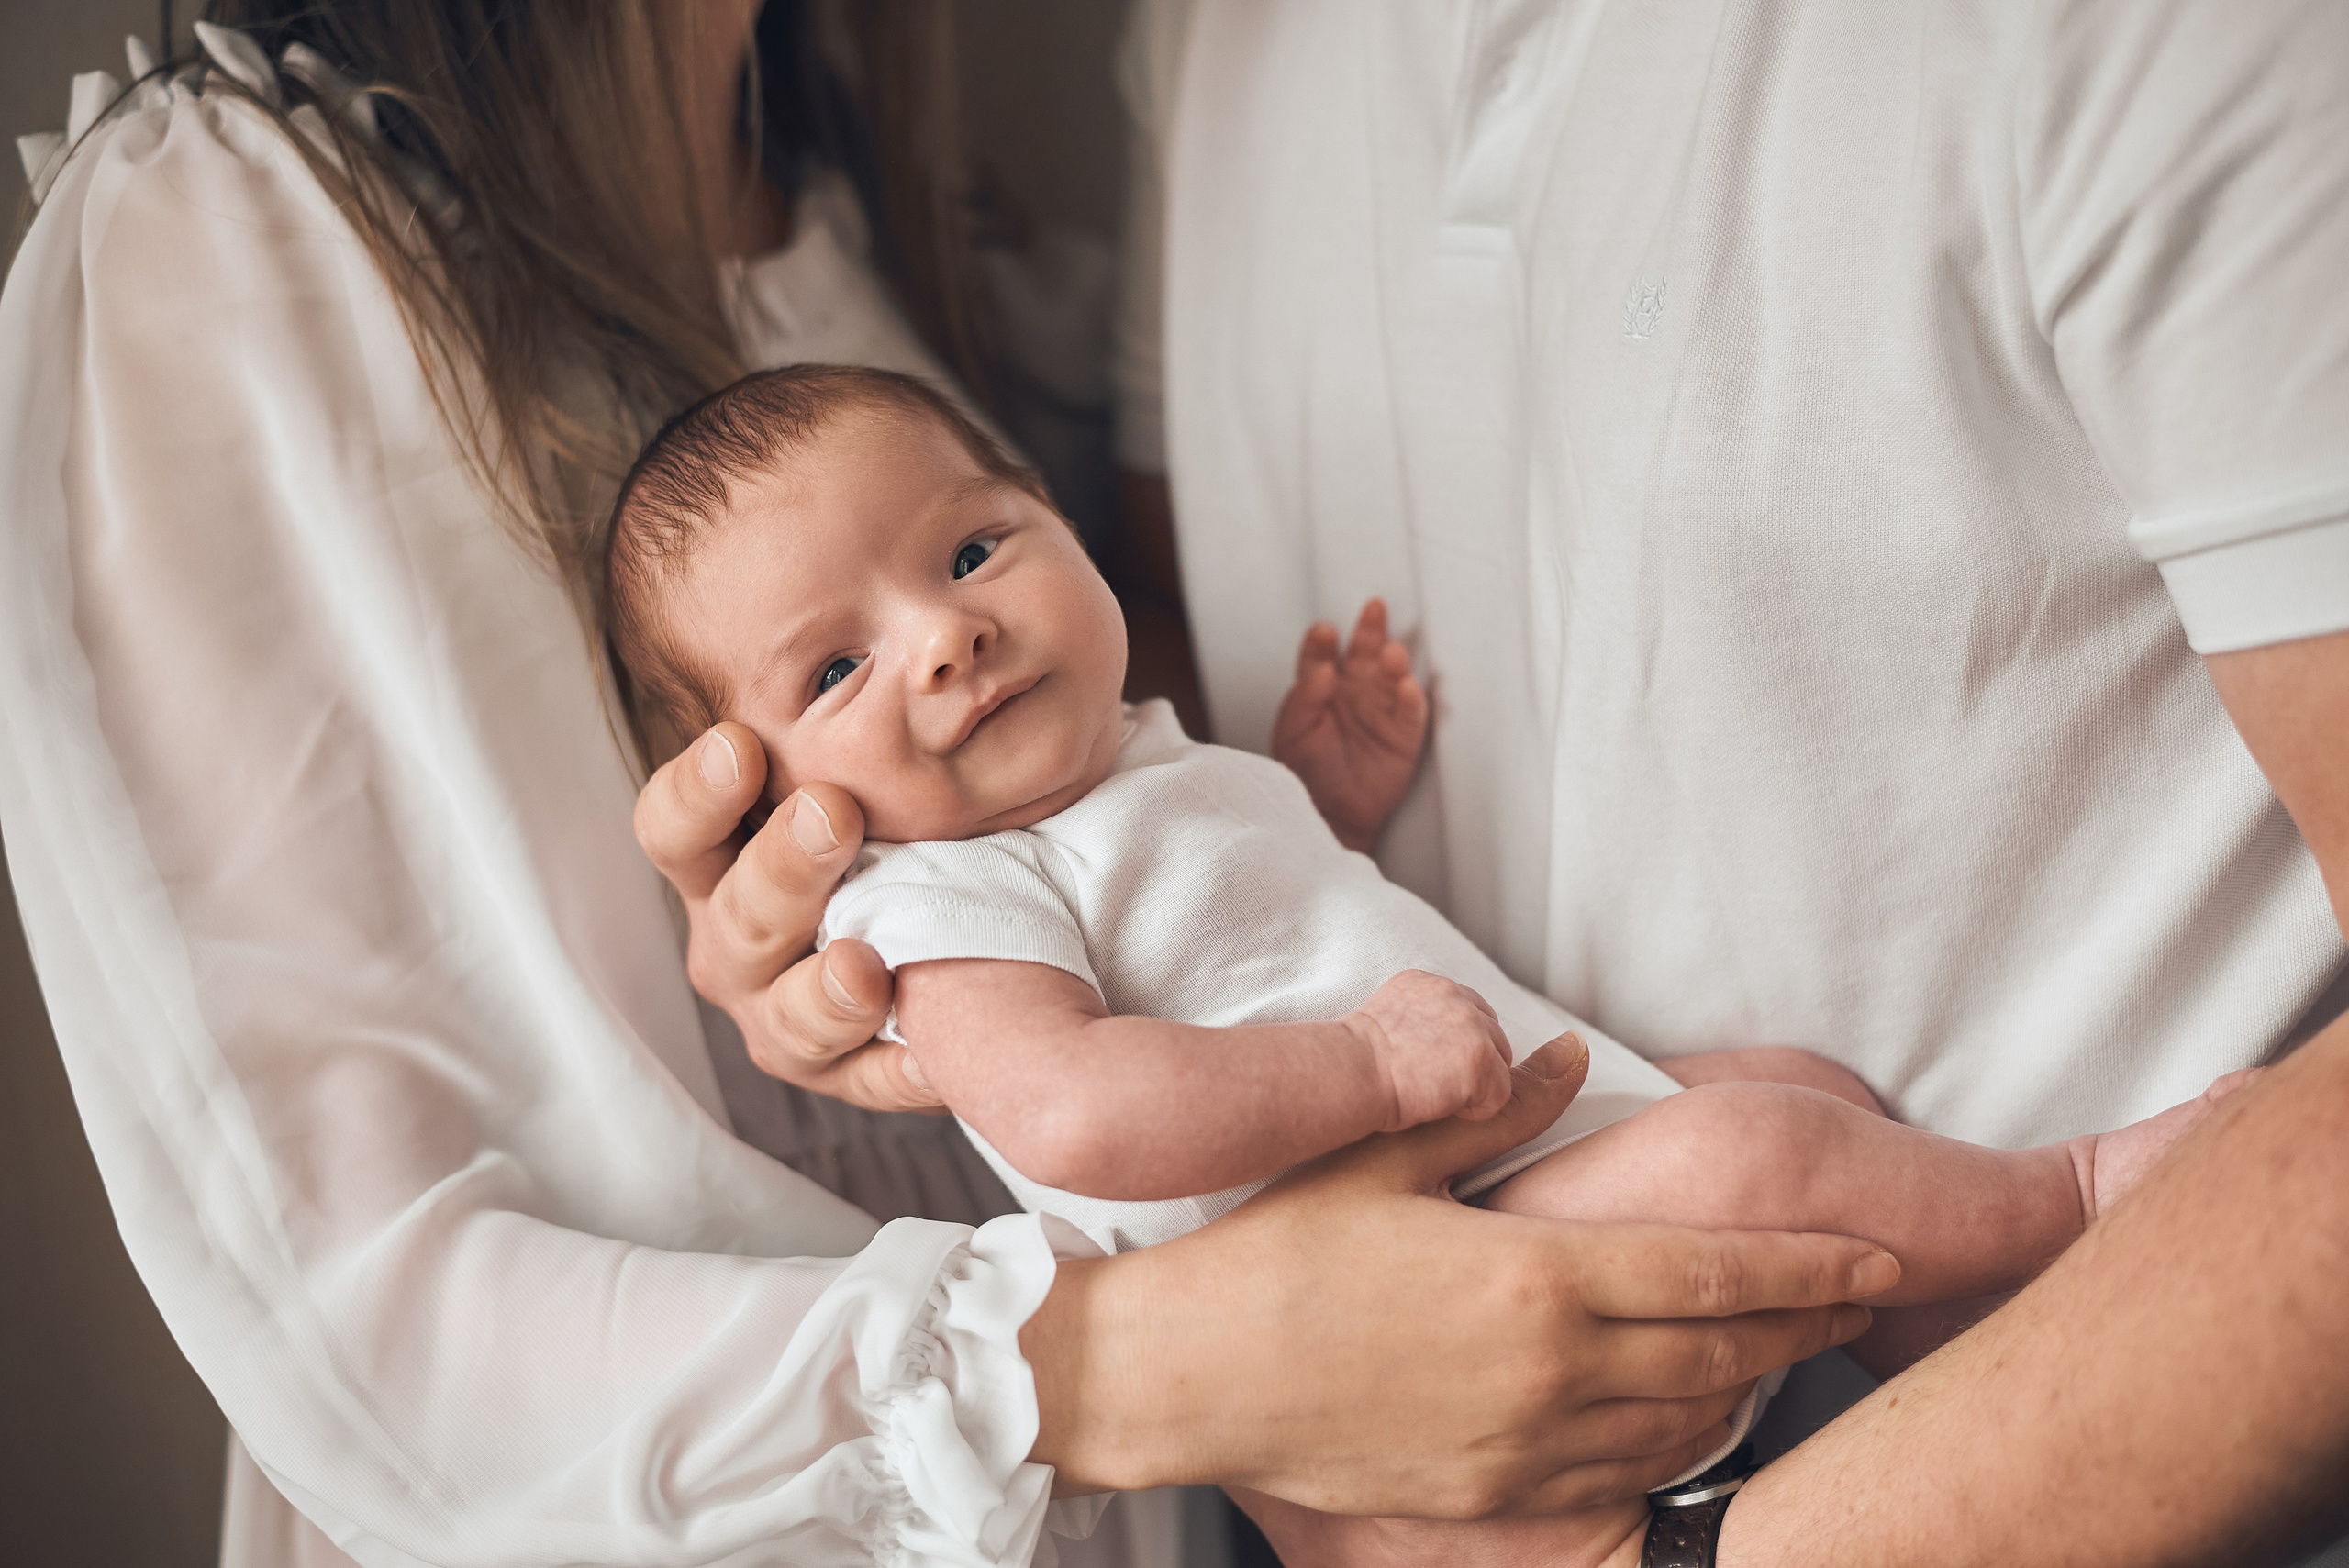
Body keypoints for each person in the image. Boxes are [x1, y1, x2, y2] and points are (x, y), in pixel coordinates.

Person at [0, 6, 1891, 1565]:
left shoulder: (863, 204)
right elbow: (363, 1316)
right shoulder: (229, 247)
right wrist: (1149, 1366)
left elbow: (1132, 848)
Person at [597, 357, 2257, 1567]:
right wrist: (1367, 1070)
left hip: (1496, 1183)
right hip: (1410, 1284)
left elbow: (1240, 924)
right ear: (763, 801)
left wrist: (1320, 789)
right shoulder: (939, 898)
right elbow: (1081, 1115)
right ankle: (2091, 1196)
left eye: (970, 551)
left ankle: (1939, 1341)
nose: (944, 633)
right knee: (1762, 1146)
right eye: (834, 667)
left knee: (1792, 1094)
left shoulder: (1135, 770)